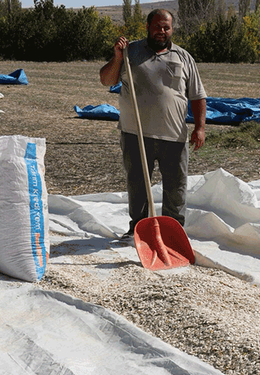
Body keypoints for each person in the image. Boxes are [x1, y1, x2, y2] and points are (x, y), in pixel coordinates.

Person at [99, 9, 207, 238]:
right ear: (148, 27)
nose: (162, 31)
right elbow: (106, 80)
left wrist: (199, 127)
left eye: (166, 27)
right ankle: (137, 231)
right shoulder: (130, 52)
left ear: (172, 29)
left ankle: (173, 233)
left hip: (174, 136)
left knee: (176, 189)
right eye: (157, 26)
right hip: (135, 133)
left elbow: (197, 96)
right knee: (137, 186)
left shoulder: (184, 57)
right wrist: (118, 58)